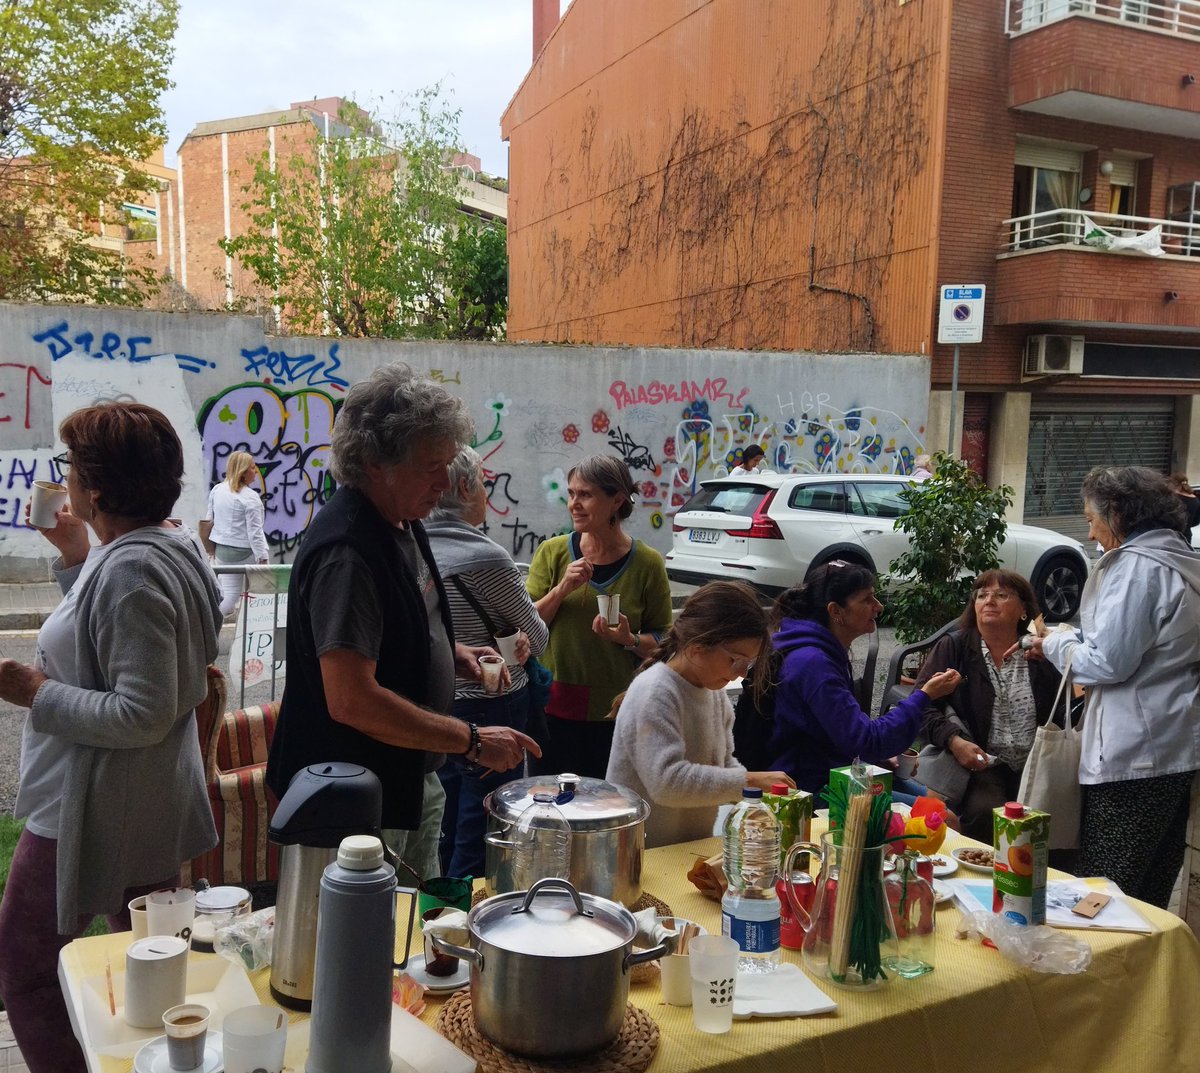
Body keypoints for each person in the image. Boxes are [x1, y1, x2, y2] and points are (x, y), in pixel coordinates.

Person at [0, 403, 221, 1073]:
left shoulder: (130, 569)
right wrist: (78, 555)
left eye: (70, 466)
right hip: (145, 800)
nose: (64, 476)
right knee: (149, 965)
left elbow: (142, 710)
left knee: (25, 971)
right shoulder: (168, 547)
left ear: (94, 488)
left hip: (90, 806)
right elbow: (107, 638)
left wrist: (34, 691)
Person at [266, 365, 538, 881]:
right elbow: (351, 699)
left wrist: (451, 656)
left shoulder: (401, 520)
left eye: (448, 464)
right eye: (431, 466)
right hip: (352, 800)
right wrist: (471, 739)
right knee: (369, 924)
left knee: (413, 914)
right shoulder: (349, 551)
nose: (445, 482)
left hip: (403, 779)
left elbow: (390, 632)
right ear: (376, 463)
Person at [1012, 466, 1200, 908]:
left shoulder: (1137, 568)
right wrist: (1074, 640)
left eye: (1092, 519)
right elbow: (1143, 644)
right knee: (1150, 888)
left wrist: (1053, 642)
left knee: (1107, 890)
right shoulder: (1180, 558)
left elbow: (1107, 662)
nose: (1090, 532)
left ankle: (1110, 954)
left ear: (1116, 513)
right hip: (1175, 742)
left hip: (1135, 753)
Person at [426, 446, 550, 876]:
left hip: (433, 705)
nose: (486, 491)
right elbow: (538, 637)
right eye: (482, 482)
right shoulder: (487, 558)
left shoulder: (412, 546)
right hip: (492, 706)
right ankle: (473, 905)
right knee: (483, 826)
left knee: (440, 821)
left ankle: (440, 902)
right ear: (464, 487)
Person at [606, 582, 795, 847]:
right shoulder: (655, 691)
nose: (742, 673)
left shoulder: (714, 693)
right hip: (640, 852)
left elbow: (724, 765)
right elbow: (667, 782)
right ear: (698, 646)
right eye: (736, 660)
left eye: (749, 663)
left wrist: (754, 798)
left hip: (688, 847)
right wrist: (750, 780)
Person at [526, 455, 673, 779]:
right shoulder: (552, 553)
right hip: (553, 709)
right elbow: (526, 624)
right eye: (571, 493)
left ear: (617, 500)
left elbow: (665, 642)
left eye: (585, 495)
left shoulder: (648, 564)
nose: (574, 504)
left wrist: (628, 639)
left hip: (617, 711)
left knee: (606, 803)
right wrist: (562, 589)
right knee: (548, 801)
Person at [767, 561, 961, 796]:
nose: (879, 606)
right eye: (867, 600)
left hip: (840, 770)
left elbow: (845, 734)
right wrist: (923, 696)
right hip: (813, 789)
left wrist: (877, 758)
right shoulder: (813, 664)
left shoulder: (824, 652)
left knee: (936, 803)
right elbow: (866, 740)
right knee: (939, 812)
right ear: (835, 611)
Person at [913, 570, 1064, 843]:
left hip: (1036, 763)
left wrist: (1057, 654)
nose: (989, 601)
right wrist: (954, 741)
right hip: (982, 765)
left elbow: (1063, 710)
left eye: (1001, 595)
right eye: (982, 595)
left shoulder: (1039, 652)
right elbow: (920, 706)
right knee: (985, 814)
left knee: (1044, 823)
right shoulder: (956, 648)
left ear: (1023, 610)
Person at [201, 449, 269, 616]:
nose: (256, 471)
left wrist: (209, 550)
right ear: (243, 471)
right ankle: (210, 622)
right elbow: (255, 533)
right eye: (252, 467)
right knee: (235, 597)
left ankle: (212, 620)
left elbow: (209, 520)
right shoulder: (250, 497)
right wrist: (263, 558)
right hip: (243, 552)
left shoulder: (217, 490)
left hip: (221, 551)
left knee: (227, 594)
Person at [1167, 472, 1200, 545]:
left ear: (1175, 484)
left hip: (1172, 535)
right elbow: (1196, 522)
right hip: (1186, 536)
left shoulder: (1174, 498)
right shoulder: (1195, 500)